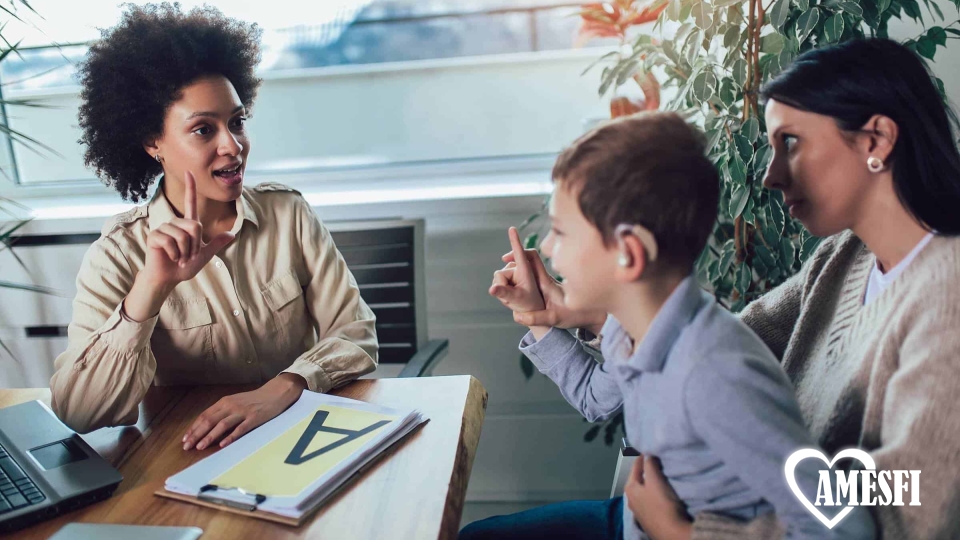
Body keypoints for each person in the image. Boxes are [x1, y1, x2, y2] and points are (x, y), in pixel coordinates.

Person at [487, 38, 960, 539]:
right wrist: (587, 309)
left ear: (876, 140)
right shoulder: (845, 256)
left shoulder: (946, 300)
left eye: (791, 143)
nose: (770, 175)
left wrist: (681, 533)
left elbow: (906, 509)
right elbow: (704, 345)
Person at [464, 112, 874, 539]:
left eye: (561, 232)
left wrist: (678, 533)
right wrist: (544, 321)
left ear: (629, 253)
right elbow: (594, 399)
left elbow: (846, 528)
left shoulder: (717, 376)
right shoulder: (637, 329)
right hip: (634, 522)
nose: (546, 248)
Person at [49, 4, 378, 452]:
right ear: (153, 143)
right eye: (204, 129)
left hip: (302, 440)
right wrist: (151, 288)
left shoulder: (290, 214)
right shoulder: (118, 255)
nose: (233, 145)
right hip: (189, 454)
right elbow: (81, 412)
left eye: (237, 122)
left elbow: (356, 332)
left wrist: (282, 388)